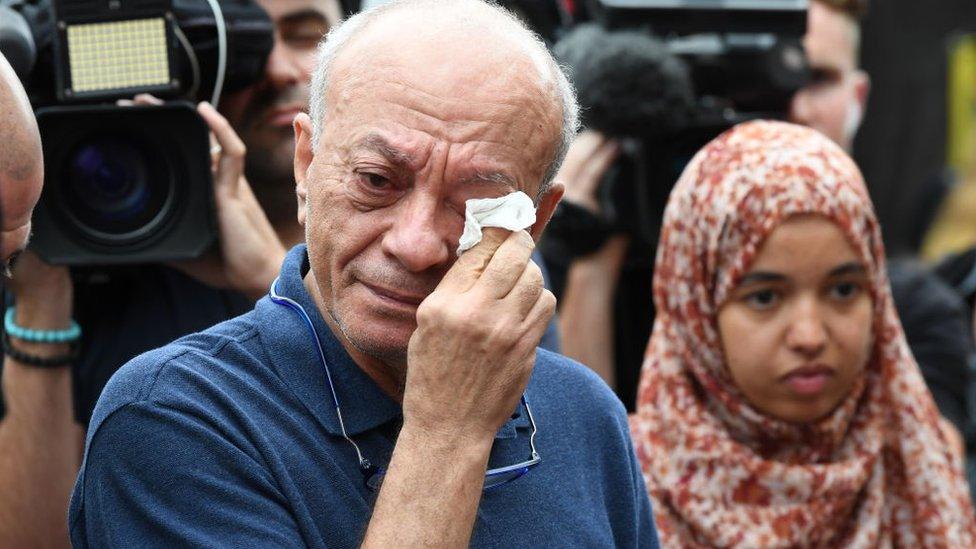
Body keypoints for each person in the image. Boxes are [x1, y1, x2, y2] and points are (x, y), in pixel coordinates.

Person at [68, 1, 658, 547]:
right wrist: (447, 432)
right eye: (376, 181)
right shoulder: (177, 419)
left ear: (537, 220)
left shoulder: (581, 411)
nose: (417, 244)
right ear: (308, 163)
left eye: (477, 204)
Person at [0, 1, 341, 546]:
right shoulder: (26, 240)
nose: (276, 69)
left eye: (305, 36)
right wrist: (41, 290)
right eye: (248, 45)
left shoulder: (419, 250)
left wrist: (270, 282)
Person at [630, 119, 976, 547]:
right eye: (764, 298)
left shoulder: (915, 469)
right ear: (695, 310)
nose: (810, 336)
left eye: (844, 290)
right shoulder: (623, 484)